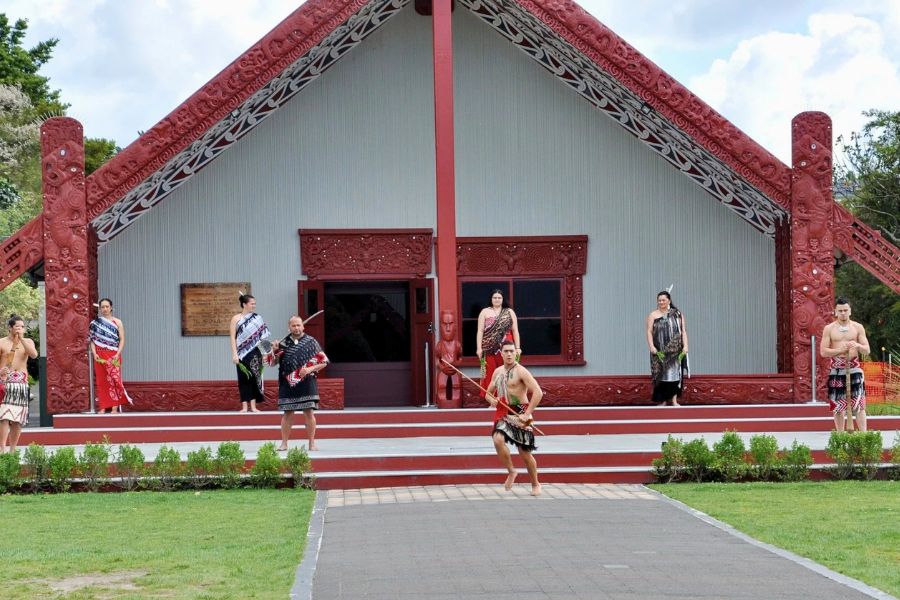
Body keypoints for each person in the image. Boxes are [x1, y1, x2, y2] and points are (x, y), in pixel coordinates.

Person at [485, 340, 543, 496]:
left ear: (516, 353)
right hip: (504, 412)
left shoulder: (521, 371)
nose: (509, 354)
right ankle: (511, 471)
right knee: (497, 439)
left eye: (512, 351)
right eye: (506, 351)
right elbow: (487, 393)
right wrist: (492, 400)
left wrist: (527, 414)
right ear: (501, 353)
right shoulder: (497, 372)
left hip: (520, 412)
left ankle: (535, 483)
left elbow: (538, 392)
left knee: (524, 453)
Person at [272, 316, 329, 451]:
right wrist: (274, 351)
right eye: (294, 326)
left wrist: (309, 369)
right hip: (287, 382)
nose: (296, 328)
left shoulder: (311, 342)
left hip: (307, 382)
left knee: (309, 412)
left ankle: (312, 443)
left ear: (303, 327)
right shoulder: (282, 343)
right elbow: (273, 363)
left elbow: (324, 361)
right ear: (289, 327)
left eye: (298, 325)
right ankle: (284, 443)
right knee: (287, 413)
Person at [820, 297, 870, 432]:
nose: (843, 313)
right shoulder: (829, 329)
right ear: (835, 311)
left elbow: (867, 350)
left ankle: (863, 435)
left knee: (859, 404)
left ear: (850, 311)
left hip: (854, 368)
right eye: (840, 310)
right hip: (836, 369)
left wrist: (857, 345)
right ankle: (841, 436)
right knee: (837, 406)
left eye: (845, 310)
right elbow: (823, 352)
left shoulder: (858, 327)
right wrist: (839, 350)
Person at [0, 315, 38, 453]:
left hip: (21, 383)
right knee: (4, 416)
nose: (20, 329)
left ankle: (13, 450)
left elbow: (33, 355)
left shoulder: (27, 341)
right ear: (10, 327)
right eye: (17, 326)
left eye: (22, 327)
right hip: (5, 382)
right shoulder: (2, 342)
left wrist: (21, 338)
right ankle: (2, 449)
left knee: (17, 420)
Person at [89, 298, 132, 413]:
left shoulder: (117, 322)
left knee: (114, 379)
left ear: (111, 307)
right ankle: (102, 407)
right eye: (102, 307)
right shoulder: (95, 323)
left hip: (113, 354)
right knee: (101, 381)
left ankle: (114, 407)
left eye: (107, 306)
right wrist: (94, 353)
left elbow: (122, 339)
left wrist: (118, 354)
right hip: (99, 355)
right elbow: (92, 340)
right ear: (99, 308)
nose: (105, 309)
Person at [229, 293, 271, 413]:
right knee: (243, 378)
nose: (254, 306)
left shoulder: (257, 318)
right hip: (241, 352)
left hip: (255, 351)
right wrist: (234, 353)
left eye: (255, 304)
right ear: (244, 304)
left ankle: (253, 406)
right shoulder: (236, 319)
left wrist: (265, 353)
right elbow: (233, 337)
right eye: (252, 304)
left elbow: (262, 337)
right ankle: (244, 406)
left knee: (254, 377)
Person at [646, 290, 689, 406]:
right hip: (659, 350)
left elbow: (683, 331)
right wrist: (652, 347)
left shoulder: (677, 314)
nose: (661, 302)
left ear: (669, 301)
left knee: (675, 375)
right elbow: (649, 332)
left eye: (663, 300)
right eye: (659, 300)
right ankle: (663, 400)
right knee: (660, 376)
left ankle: (674, 400)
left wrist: (685, 346)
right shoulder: (653, 315)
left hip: (675, 350)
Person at [476, 289, 521, 397]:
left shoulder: (509, 312)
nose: (497, 300)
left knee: (507, 372)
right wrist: (479, 348)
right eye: (494, 298)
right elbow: (480, 331)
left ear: (502, 299)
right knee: (491, 373)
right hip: (488, 348)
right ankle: (492, 401)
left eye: (499, 298)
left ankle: (507, 399)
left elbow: (515, 330)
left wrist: (518, 348)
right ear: (491, 299)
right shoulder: (485, 312)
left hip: (507, 348)